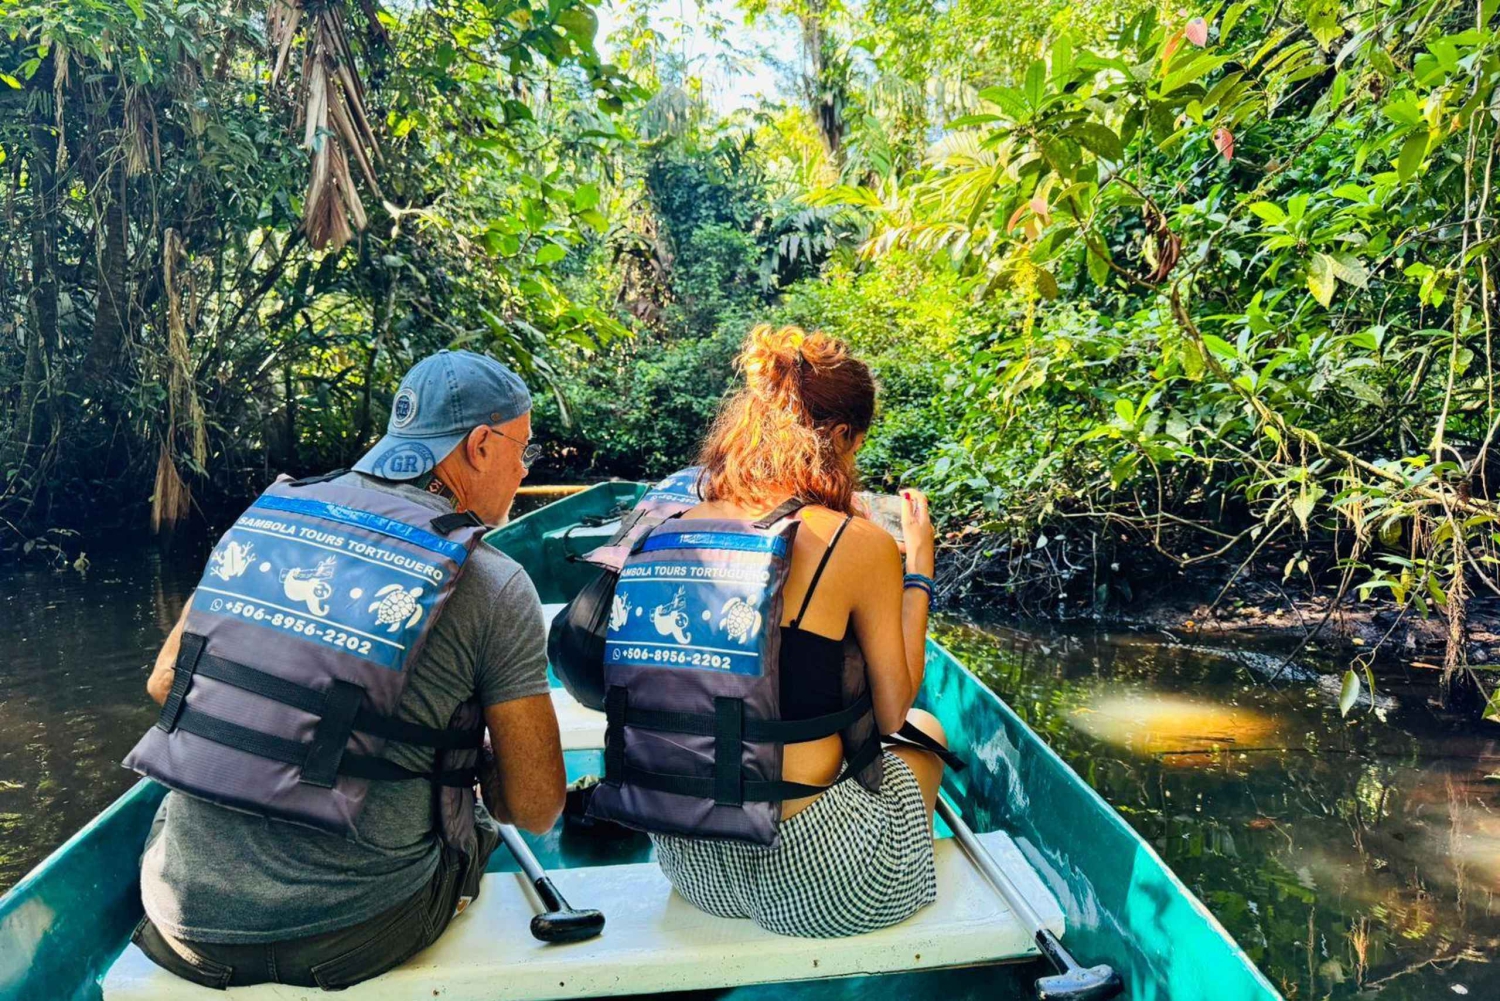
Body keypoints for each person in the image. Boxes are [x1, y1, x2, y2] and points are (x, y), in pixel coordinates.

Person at [128, 349, 565, 990]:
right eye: (521, 448)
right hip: (358, 932)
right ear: (478, 445)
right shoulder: (494, 583)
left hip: (184, 923)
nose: (524, 469)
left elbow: (166, 682)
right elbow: (536, 806)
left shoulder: (268, 521)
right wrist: (462, 767)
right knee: (472, 822)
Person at [647, 323, 948, 938]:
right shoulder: (856, 541)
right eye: (856, 446)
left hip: (687, 856)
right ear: (840, 436)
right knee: (925, 731)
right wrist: (917, 571)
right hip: (818, 882)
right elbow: (892, 712)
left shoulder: (671, 522)